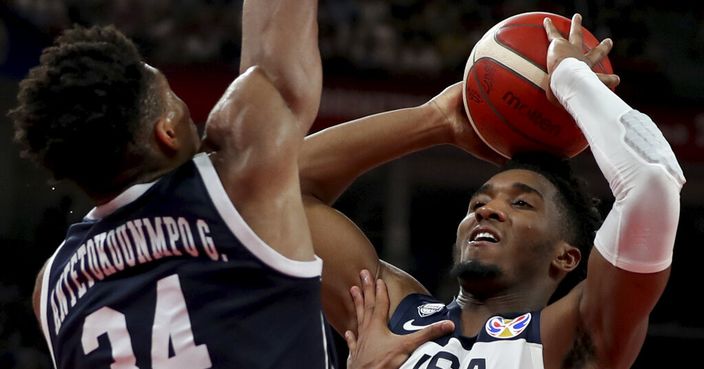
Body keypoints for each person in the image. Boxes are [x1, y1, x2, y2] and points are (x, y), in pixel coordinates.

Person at [301, 13, 685, 369]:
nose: (487, 210)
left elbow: (653, 181)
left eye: (521, 203)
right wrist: (434, 120)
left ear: (565, 257)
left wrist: (570, 77)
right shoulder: (390, 314)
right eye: (478, 202)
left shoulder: (572, 336)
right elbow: (281, 188)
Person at [10, 1, 336, 368]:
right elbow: (275, 54)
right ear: (166, 133)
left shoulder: (51, 288)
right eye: (172, 96)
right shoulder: (234, 183)